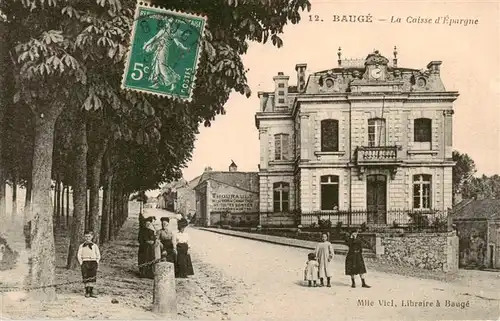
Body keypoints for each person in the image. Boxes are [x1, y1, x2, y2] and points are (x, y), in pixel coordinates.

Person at [77, 231, 101, 298]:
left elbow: (98, 255)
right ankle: (87, 291)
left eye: (89, 236)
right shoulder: (81, 246)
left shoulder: (95, 246)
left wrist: (96, 262)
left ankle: (91, 291)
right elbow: (79, 255)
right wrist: (81, 262)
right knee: (86, 276)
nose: (87, 238)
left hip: (93, 262)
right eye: (86, 236)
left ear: (92, 237)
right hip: (85, 262)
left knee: (92, 277)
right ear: (84, 237)